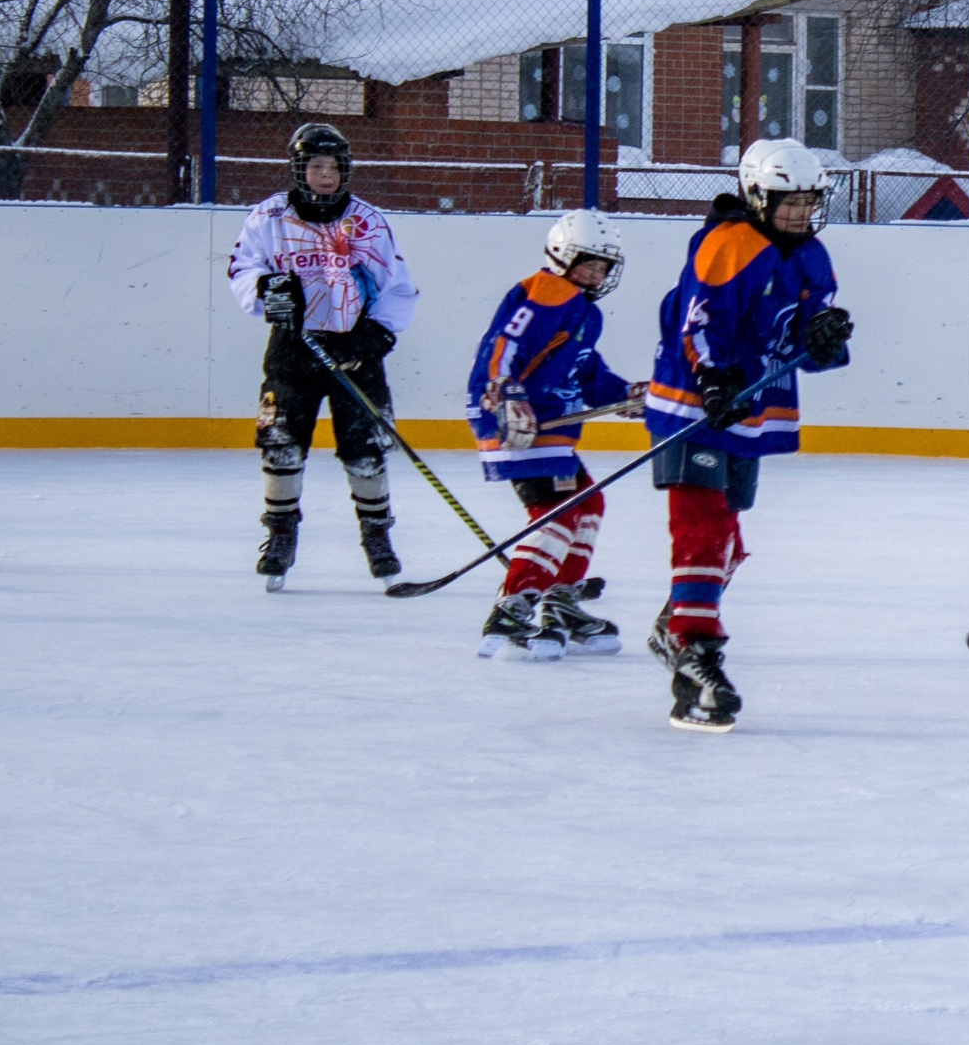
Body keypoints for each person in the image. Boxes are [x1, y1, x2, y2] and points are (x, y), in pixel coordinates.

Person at [642, 138, 853, 732]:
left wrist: (826, 337)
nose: (802, 212)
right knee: (703, 528)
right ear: (758, 197)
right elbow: (697, 317)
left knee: (727, 544)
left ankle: (674, 625)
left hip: (750, 410)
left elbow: (810, 336)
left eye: (811, 200)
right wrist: (711, 378)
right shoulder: (727, 244)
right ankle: (696, 649)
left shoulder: (812, 255)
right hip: (696, 405)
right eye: (790, 201)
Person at [226, 123, 419, 590]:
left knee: (367, 451)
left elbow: (397, 285)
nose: (325, 176)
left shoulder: (368, 221)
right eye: (316, 166)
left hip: (355, 351)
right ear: (300, 169)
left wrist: (373, 336)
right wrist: (265, 288)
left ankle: (377, 538)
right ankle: (281, 535)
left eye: (333, 167)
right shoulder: (268, 217)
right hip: (293, 348)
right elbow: (242, 267)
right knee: (281, 444)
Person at [464, 209, 645, 659]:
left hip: (546, 423)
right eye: (589, 262)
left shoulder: (583, 310)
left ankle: (560, 600)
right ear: (563, 257)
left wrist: (624, 393)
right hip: (514, 419)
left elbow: (584, 370)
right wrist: (505, 391)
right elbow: (502, 345)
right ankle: (512, 608)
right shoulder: (548, 290)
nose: (597, 273)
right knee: (559, 512)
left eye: (604, 266)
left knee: (587, 503)